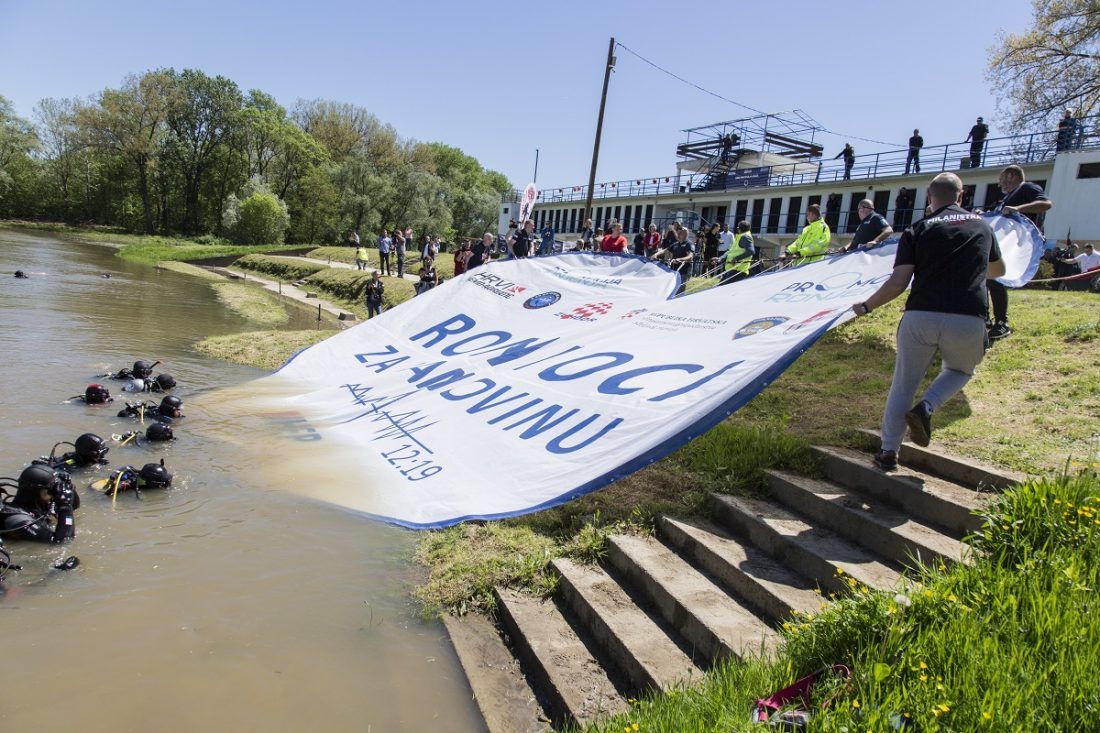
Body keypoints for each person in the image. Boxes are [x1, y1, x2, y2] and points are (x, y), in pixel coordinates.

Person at [851, 172, 1005, 470]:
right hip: (968, 315)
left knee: (903, 384)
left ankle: (887, 453)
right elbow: (998, 271)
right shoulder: (982, 226)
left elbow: (898, 282)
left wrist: (867, 306)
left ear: (929, 197)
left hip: (920, 314)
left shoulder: (917, 229)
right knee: (960, 370)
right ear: (961, 195)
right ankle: (927, 406)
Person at [988, 165, 1053, 340]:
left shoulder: (1027, 188)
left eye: (1002, 179)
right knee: (987, 276)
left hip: (1019, 243)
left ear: (1011, 176)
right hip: (1004, 242)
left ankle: (1002, 322)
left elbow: (1046, 204)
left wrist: (1018, 208)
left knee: (996, 278)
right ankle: (986, 317)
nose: (1000, 183)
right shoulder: (1006, 198)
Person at [0, 464, 77, 543]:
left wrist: (69, 488)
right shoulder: (18, 521)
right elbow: (63, 541)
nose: (55, 492)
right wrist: (65, 504)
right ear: (36, 492)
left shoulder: (38, 505)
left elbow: (74, 507)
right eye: (52, 489)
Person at [99, 460, 173, 498]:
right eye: (160, 483)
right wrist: (113, 488)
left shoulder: (147, 478)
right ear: (151, 483)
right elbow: (106, 495)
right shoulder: (130, 483)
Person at [654, 227, 695, 295]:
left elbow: (690, 256)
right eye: (678, 232)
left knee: (679, 291)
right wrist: (656, 255)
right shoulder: (676, 244)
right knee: (673, 290)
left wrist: (680, 259)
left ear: (686, 234)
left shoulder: (689, 244)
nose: (678, 234)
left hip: (684, 271)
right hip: (675, 271)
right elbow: (665, 250)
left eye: (681, 232)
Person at [41, 433, 110, 470]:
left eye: (104, 451)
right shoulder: (69, 466)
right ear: (87, 453)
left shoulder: (97, 461)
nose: (103, 456)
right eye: (100, 454)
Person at [718, 221, 756, 286]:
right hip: (732, 269)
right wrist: (720, 258)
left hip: (738, 270)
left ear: (738, 228)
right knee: (719, 288)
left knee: (723, 289)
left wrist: (736, 258)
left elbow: (751, 251)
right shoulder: (740, 237)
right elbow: (731, 251)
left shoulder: (745, 237)